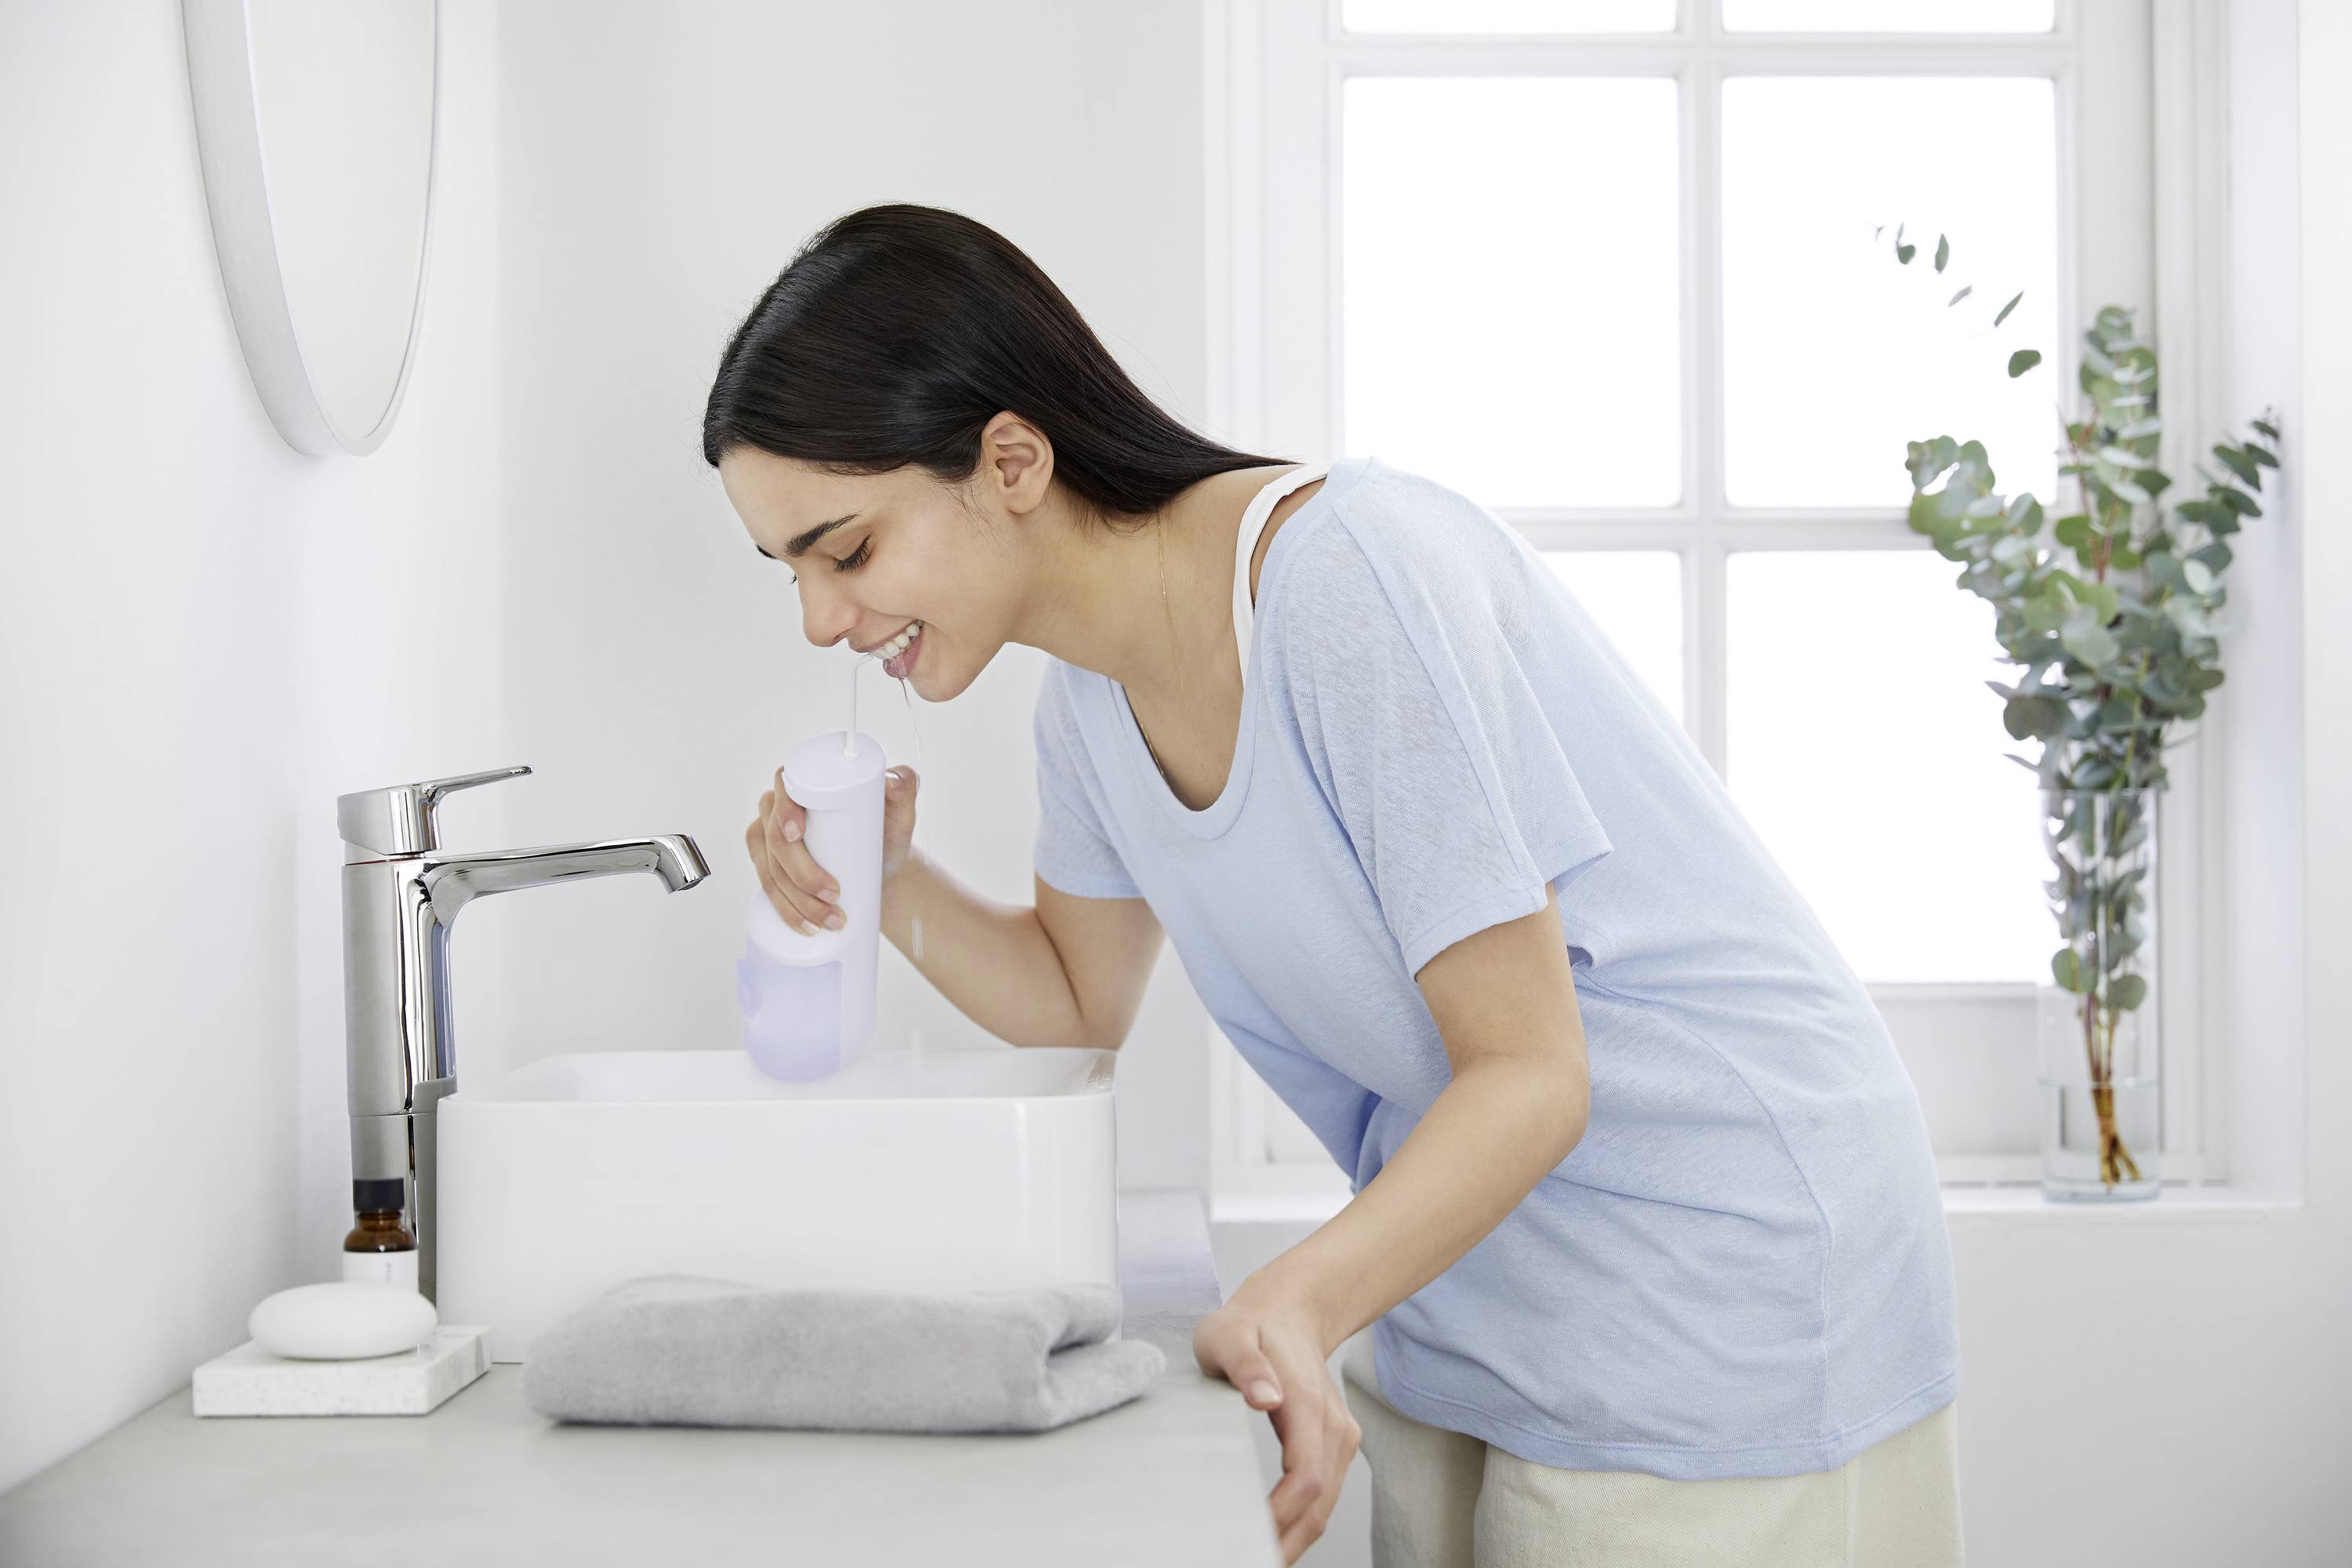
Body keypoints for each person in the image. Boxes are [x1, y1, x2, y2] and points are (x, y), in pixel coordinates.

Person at [709, 202, 1965, 1568]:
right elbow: (1076, 1006)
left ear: (1009, 459)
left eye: (847, 551)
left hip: (1725, 1269)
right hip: (1480, 1276)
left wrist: (1296, 1297)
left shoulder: (1346, 581)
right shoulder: (1086, 708)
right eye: (791, 570)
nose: (822, 619)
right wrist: (890, 886)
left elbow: (1534, 1071)